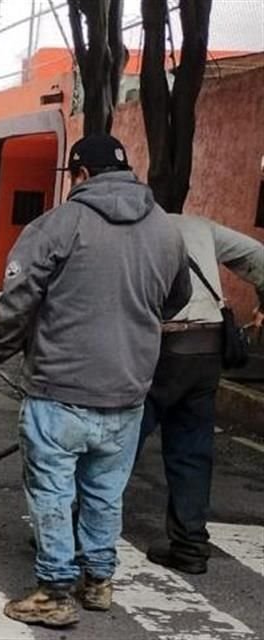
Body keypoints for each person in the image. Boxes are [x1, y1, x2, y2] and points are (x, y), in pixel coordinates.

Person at [0, 134, 192, 628]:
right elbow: (174, 300)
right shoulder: (166, 232)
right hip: (128, 392)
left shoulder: (57, 225)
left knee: (52, 491)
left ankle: (54, 592)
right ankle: (98, 581)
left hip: (59, 391)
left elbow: (17, 305)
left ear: (80, 175)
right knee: (106, 492)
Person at [137, 214, 264, 574]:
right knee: (192, 450)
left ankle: (77, 534)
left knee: (118, 441)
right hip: (206, 347)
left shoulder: (126, 228)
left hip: (158, 345)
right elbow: (257, 254)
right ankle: (190, 546)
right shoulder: (195, 226)